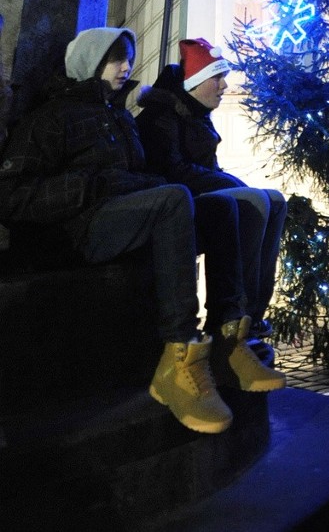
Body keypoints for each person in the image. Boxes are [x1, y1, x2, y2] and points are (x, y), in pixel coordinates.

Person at [0, 27, 285, 435]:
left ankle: (227, 332)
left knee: (220, 206)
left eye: (128, 58)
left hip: (120, 216)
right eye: (116, 59)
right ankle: (178, 353)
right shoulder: (53, 117)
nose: (126, 67)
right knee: (172, 199)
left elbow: (139, 176)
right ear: (91, 65)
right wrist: (92, 185)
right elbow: (11, 194)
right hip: (78, 230)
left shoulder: (117, 116)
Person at [136, 38, 287, 344]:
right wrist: (233, 185)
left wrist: (230, 184)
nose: (224, 86)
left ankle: (252, 317)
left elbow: (207, 172)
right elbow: (174, 172)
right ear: (193, 83)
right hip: (179, 207)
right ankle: (232, 319)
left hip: (199, 197)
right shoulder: (161, 117)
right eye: (216, 78)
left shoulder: (196, 115)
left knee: (275, 199)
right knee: (254, 200)